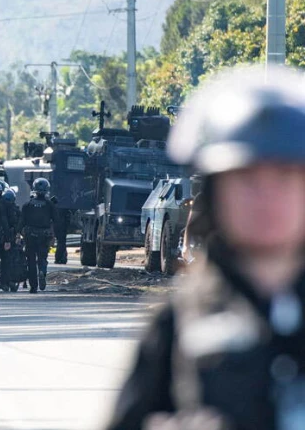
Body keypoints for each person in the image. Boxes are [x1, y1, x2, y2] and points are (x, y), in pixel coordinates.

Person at [108, 65, 305, 430]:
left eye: (285, 178)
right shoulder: (177, 323)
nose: (267, 198)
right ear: (215, 193)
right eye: (246, 179)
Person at [19, 178, 57, 293]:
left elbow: (21, 222)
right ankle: (42, 271)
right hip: (44, 235)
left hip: (30, 235)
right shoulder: (50, 205)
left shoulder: (27, 205)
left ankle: (33, 286)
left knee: (30, 260)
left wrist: (18, 234)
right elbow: (56, 221)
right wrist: (54, 236)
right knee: (42, 257)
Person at [0, 189, 21, 292]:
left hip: (0, 238)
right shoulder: (15, 210)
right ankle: (10, 281)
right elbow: (20, 224)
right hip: (11, 238)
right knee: (10, 261)